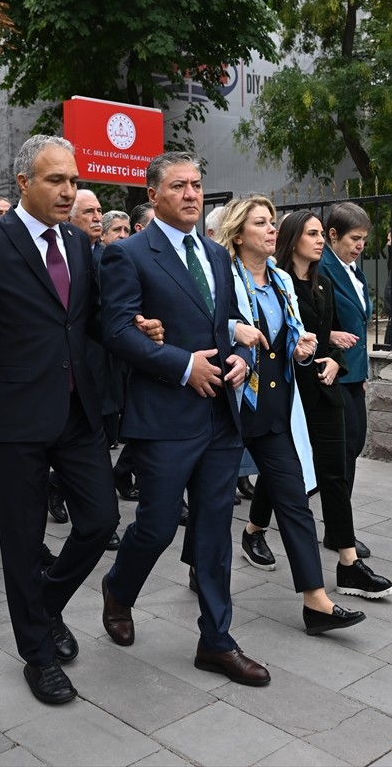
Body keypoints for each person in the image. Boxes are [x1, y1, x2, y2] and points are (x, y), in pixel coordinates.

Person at [0, 135, 118, 705]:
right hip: (14, 416)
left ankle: (44, 606)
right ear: (23, 182)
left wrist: (139, 330)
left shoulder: (78, 242)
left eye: (73, 181)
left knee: (100, 520)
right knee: (22, 543)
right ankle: (37, 654)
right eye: (56, 181)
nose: (69, 191)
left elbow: (87, 319)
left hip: (77, 411)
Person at [99, 152, 271, 685]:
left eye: (198, 184)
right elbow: (118, 331)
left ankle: (216, 641)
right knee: (154, 525)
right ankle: (118, 590)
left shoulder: (218, 256)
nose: (193, 194)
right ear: (154, 195)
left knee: (216, 527)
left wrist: (239, 358)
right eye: (179, 186)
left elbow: (221, 326)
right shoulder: (128, 254)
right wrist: (181, 367)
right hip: (164, 416)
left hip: (219, 414)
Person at [215, 197, 371, 634]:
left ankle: (315, 601)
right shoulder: (223, 279)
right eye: (261, 223)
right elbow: (205, 324)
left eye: (273, 222)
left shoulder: (282, 279)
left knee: (295, 501)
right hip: (231, 406)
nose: (271, 230)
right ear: (238, 233)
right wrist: (232, 330)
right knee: (211, 498)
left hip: (276, 407)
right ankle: (196, 565)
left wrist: (304, 349)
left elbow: (293, 336)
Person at [244, 209, 392, 598]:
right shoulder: (279, 283)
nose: (320, 240)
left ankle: (348, 563)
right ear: (295, 240)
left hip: (325, 389)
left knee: (335, 469)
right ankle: (254, 530)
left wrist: (334, 360)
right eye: (312, 234)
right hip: (291, 393)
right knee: (287, 471)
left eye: (320, 234)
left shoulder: (323, 283)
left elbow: (324, 339)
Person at [317, 203, 373, 517]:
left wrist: (362, 373)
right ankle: (339, 522)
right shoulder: (322, 267)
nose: (360, 245)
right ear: (333, 235)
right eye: (354, 238)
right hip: (332, 371)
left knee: (355, 443)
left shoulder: (355, 272)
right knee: (344, 447)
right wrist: (329, 336)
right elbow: (312, 318)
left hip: (354, 373)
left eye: (364, 238)